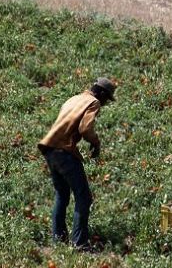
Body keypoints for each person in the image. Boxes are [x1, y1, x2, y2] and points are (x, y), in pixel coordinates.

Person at [38, 77, 116, 249]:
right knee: (84, 197)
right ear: (101, 93)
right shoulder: (93, 102)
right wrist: (96, 143)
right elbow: (85, 128)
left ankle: (58, 239)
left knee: (62, 193)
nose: (105, 104)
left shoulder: (73, 98)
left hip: (49, 148)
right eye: (106, 99)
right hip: (63, 152)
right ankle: (79, 243)